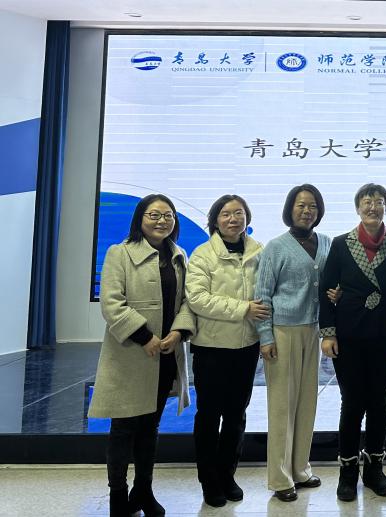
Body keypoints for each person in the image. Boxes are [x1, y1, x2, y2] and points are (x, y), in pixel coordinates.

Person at [89, 194, 196, 517]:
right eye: (154, 215)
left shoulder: (179, 255)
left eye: (168, 215)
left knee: (150, 427)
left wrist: (178, 332)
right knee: (123, 429)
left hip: (165, 354)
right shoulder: (119, 253)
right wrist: (145, 336)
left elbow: (187, 302)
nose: (162, 221)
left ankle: (143, 491)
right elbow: (112, 303)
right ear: (140, 218)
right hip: (131, 355)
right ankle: (118, 498)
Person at [319, 184, 386, 502]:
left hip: (383, 331)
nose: (373, 207)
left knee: (379, 401)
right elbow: (326, 289)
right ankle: (347, 471)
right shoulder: (341, 243)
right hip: (348, 332)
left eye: (379, 202)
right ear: (358, 207)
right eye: (367, 202)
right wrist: (328, 333)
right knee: (352, 402)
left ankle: (374, 470)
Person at [185, 194, 266, 507]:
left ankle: (227, 474)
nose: (233, 219)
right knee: (209, 416)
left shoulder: (259, 252)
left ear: (247, 217)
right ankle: (208, 480)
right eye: (226, 214)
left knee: (236, 415)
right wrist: (243, 308)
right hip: (212, 348)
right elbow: (198, 299)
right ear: (215, 220)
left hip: (246, 347)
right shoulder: (203, 254)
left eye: (239, 213)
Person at [254, 184, 331, 502]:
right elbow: (262, 294)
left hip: (313, 330)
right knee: (282, 406)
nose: (307, 211)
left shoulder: (326, 242)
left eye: (312, 206)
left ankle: (300, 469)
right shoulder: (275, 247)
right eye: (301, 205)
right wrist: (265, 336)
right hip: (283, 331)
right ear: (290, 209)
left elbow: (332, 282)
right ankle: (279, 477)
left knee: (307, 403)